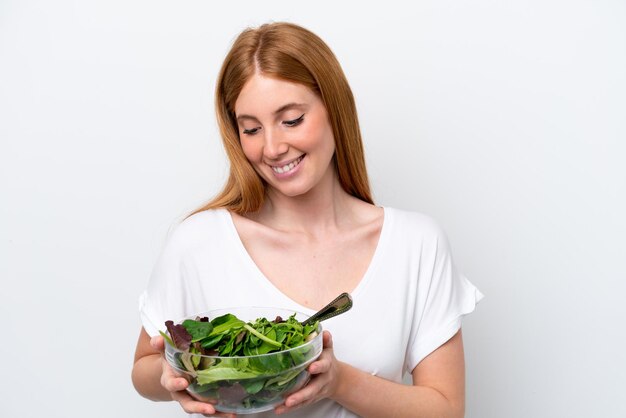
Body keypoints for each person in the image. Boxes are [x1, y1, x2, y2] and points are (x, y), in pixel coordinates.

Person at [131, 21, 483, 418]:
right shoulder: (200, 242)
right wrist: (172, 375)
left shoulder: (415, 244)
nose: (273, 147)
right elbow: (144, 369)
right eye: (251, 129)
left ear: (334, 107)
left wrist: (338, 381)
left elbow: (446, 409)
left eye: (292, 120)